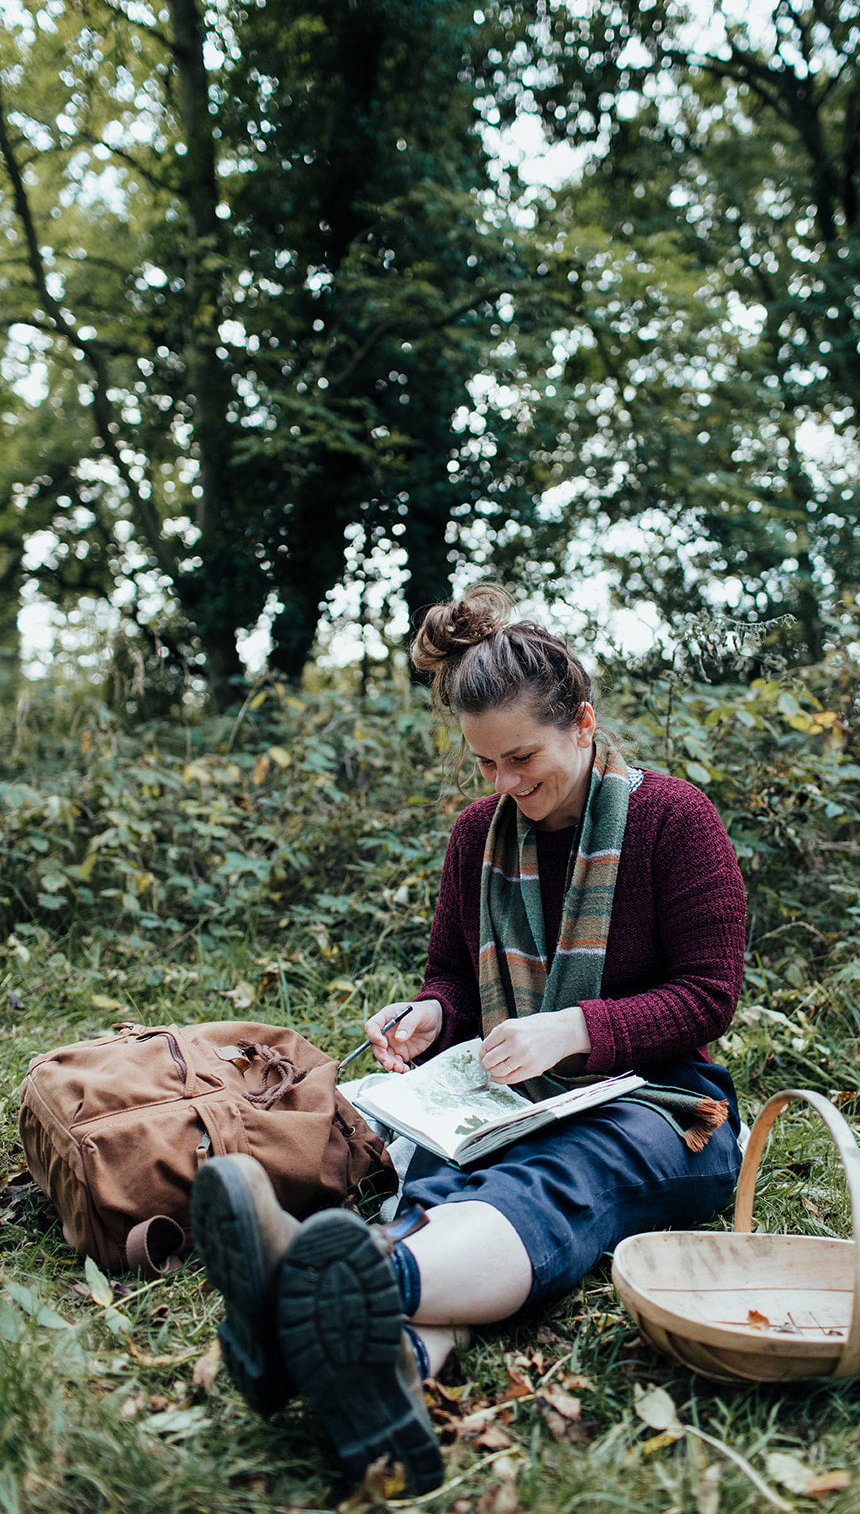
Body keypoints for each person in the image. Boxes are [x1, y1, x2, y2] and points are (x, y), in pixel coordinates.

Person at [192, 583, 747, 1496]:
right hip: (507, 1096)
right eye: (485, 764)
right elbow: (451, 974)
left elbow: (707, 995)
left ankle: (329, 1285)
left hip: (664, 1106)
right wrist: (431, 1015)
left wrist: (574, 1027)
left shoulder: (672, 821)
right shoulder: (476, 840)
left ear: (581, 721)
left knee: (568, 1173)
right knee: (450, 1181)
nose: (505, 785)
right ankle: (393, 1372)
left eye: (522, 757)